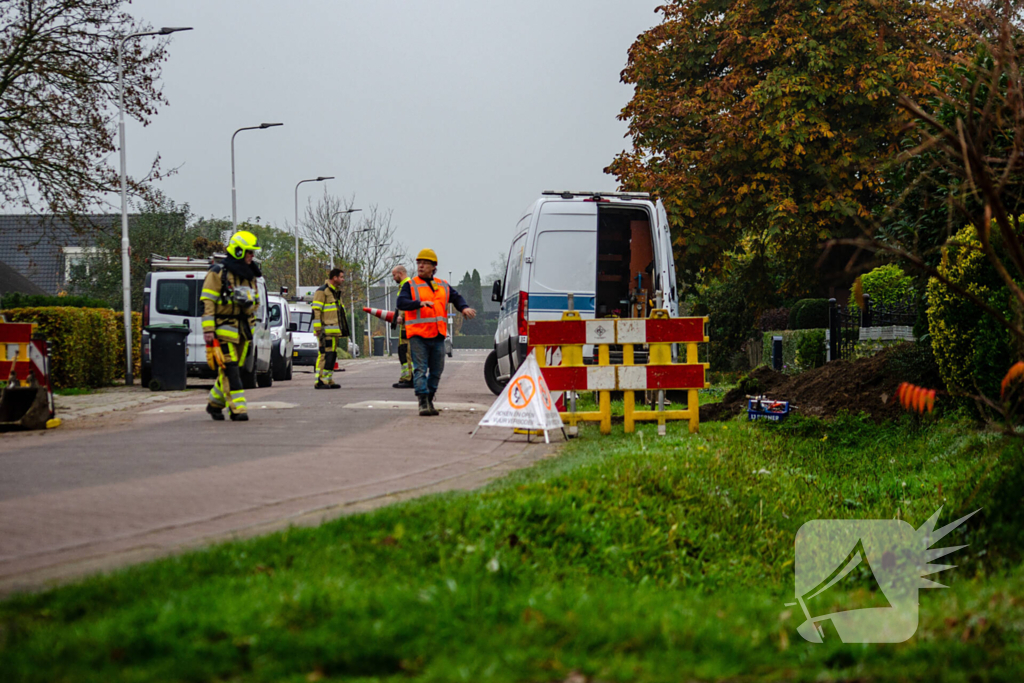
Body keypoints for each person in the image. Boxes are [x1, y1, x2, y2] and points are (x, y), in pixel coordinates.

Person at [396, 248, 477, 416]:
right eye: (419, 263)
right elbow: (401, 302)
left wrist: (464, 308)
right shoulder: (410, 285)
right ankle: (422, 402)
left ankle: (430, 398)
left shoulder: (442, 285)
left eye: (425, 263)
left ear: (434, 266)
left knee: (436, 371)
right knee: (420, 369)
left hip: (438, 335)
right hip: (418, 335)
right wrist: (418, 303)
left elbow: (456, 297)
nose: (421, 266)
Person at [202, 230, 262, 421]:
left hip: (244, 329)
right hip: (223, 328)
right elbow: (208, 302)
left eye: (253, 252)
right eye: (249, 252)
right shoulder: (217, 273)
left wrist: (248, 302)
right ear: (238, 251)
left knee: (234, 368)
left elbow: (257, 302)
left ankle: (214, 404)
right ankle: (238, 408)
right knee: (231, 368)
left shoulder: (250, 275)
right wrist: (209, 330)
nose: (252, 256)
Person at [311, 267, 350, 389]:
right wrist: (318, 329)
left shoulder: (335, 292)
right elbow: (316, 310)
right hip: (325, 331)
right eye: (341, 277)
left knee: (331, 355)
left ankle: (328, 379)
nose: (343, 280)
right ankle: (320, 380)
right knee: (324, 354)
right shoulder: (322, 291)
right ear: (334, 278)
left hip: (334, 330)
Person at [391, 265, 414, 388]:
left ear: (400, 273)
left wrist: (403, 317)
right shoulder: (404, 286)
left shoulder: (408, 286)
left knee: (406, 352)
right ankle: (406, 377)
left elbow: (408, 305)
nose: (393, 278)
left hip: (407, 326)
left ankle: (408, 378)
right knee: (403, 352)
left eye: (394, 275)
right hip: (404, 327)